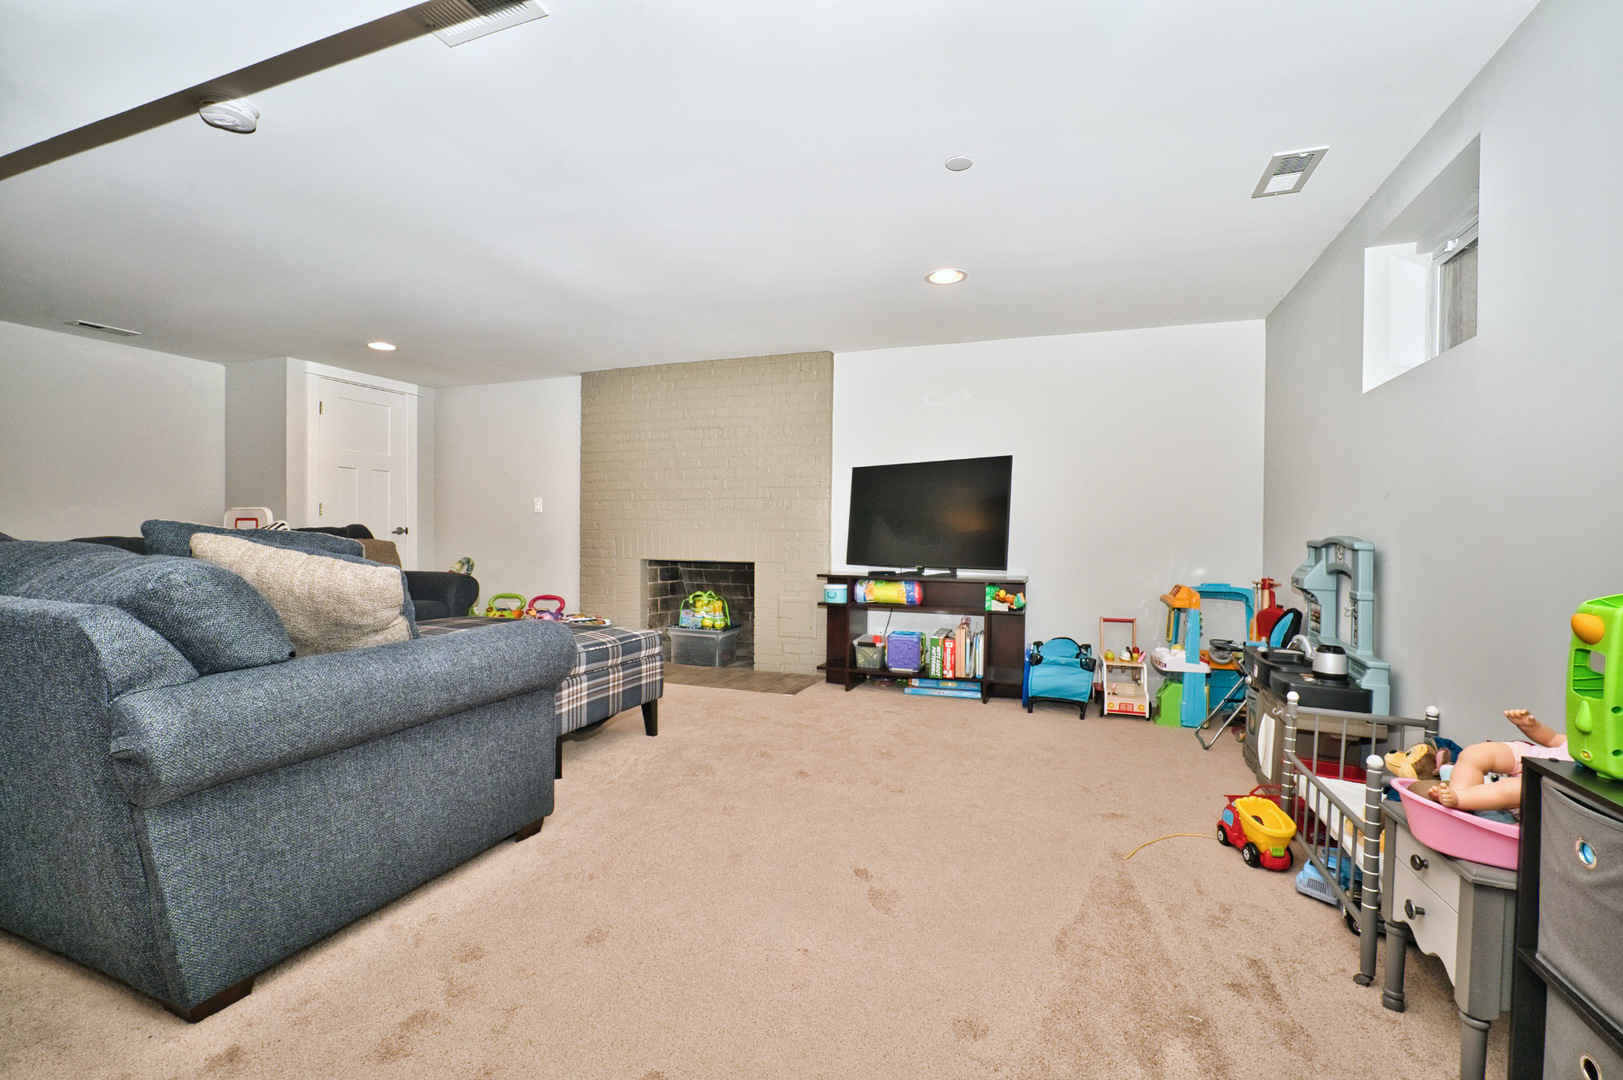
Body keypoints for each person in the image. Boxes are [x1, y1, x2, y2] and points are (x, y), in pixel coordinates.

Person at [1420, 709, 1570, 812]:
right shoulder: (1585, 740)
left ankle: (1459, 799)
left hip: (1546, 779)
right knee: (1474, 753)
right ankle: (1458, 792)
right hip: (1534, 755)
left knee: (1510, 789)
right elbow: (1552, 738)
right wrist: (1530, 726)